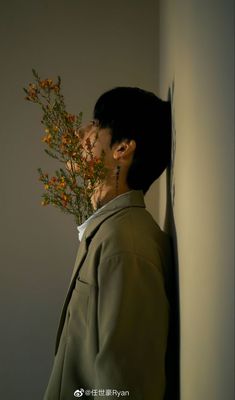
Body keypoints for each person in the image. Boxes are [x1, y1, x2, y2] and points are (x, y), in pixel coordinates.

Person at [43, 87, 175, 400]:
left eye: (96, 123)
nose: (82, 132)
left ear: (123, 148)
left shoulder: (124, 245)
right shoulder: (110, 231)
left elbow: (127, 388)